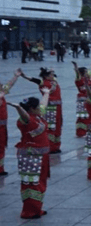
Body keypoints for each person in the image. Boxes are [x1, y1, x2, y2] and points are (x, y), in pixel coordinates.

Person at [9, 89, 51, 218]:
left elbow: (44, 104)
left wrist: (46, 93)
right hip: (31, 156)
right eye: (37, 107)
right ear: (31, 109)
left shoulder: (38, 117)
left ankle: (36, 208)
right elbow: (24, 116)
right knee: (32, 183)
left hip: (41, 156)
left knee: (39, 182)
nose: (40, 108)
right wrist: (18, 108)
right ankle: (29, 211)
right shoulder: (27, 121)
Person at [20, 68, 62, 153]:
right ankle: (51, 146)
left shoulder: (53, 81)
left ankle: (56, 146)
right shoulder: (43, 82)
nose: (53, 76)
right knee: (51, 126)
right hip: (50, 107)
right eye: (51, 74)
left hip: (58, 107)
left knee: (58, 125)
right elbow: (33, 79)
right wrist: (23, 75)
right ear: (46, 76)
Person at [0, 70, 22, 175]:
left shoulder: (2, 93)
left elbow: (9, 85)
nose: (2, 86)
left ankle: (1, 168)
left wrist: (15, 76)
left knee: (1, 147)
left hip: (2, 128)